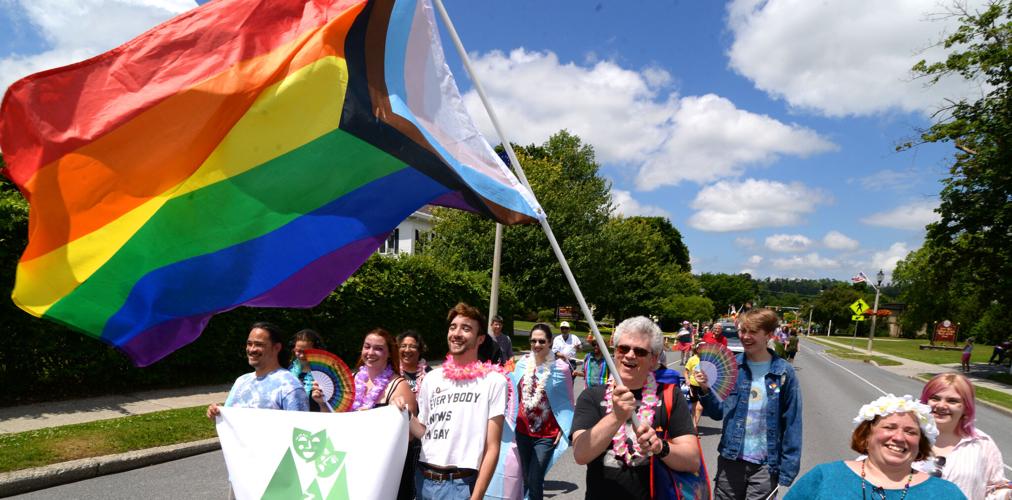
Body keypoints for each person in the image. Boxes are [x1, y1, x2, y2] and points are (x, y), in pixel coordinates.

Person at [572, 316, 700, 499]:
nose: (630, 355)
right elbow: (581, 454)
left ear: (653, 359)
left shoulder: (670, 395)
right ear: (615, 352)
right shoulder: (592, 396)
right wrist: (616, 417)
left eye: (640, 351)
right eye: (623, 348)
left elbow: (692, 460)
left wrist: (660, 447)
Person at [398, 303, 508, 500]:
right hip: (423, 480)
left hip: (460, 485)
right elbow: (423, 431)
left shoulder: (493, 381)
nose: (456, 333)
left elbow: (493, 447)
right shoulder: (432, 378)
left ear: (480, 338)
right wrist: (403, 414)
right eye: (452, 327)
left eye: (466, 328)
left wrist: (477, 497)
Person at [696, 308, 802, 500]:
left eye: (752, 332)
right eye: (742, 331)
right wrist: (705, 389)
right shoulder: (732, 367)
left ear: (769, 335)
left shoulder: (784, 373)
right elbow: (718, 413)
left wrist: (788, 468)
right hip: (730, 460)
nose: (745, 336)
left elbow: (792, 422)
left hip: (765, 466)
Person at [785, 394, 965, 500]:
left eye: (911, 432)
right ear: (867, 435)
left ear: (921, 443)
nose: (899, 437)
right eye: (889, 427)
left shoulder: (946, 493)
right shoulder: (826, 477)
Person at [915, 373, 1011, 500]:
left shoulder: (982, 443)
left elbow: (995, 487)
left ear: (966, 408)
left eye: (952, 401)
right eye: (935, 398)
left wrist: (1007, 495)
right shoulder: (907, 438)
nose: (941, 405)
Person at [511, 323, 574, 500]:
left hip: (546, 434)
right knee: (525, 477)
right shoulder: (522, 363)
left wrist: (564, 428)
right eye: (533, 341)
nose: (537, 345)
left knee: (535, 478)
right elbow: (514, 394)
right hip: (522, 431)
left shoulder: (561, 369)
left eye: (541, 341)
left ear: (550, 342)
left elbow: (567, 402)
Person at [206, 321, 309, 419]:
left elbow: (300, 430)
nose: (251, 349)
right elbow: (230, 421)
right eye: (249, 344)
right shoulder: (241, 381)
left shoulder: (290, 385)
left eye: (259, 344)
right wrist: (217, 414)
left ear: (277, 347)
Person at [313, 328, 416, 414]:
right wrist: (323, 403)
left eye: (378, 349)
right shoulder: (349, 380)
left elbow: (409, 434)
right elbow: (334, 421)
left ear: (389, 353)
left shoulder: (399, 386)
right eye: (367, 347)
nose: (370, 352)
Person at [289, 328, 326, 412]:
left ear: (316, 351)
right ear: (294, 349)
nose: (302, 355)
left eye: (306, 352)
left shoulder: (323, 373)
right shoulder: (290, 369)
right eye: (298, 351)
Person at [398, 330, 432, 394]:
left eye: (412, 346)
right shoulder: (392, 371)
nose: (407, 350)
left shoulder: (429, 373)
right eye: (403, 346)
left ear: (419, 350)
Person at [683, 342, 705, 429]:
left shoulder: (708, 359)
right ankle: (693, 426)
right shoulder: (692, 359)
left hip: (704, 386)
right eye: (701, 348)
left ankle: (694, 426)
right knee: (694, 406)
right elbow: (686, 372)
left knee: (700, 408)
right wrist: (687, 380)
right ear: (697, 349)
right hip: (693, 385)